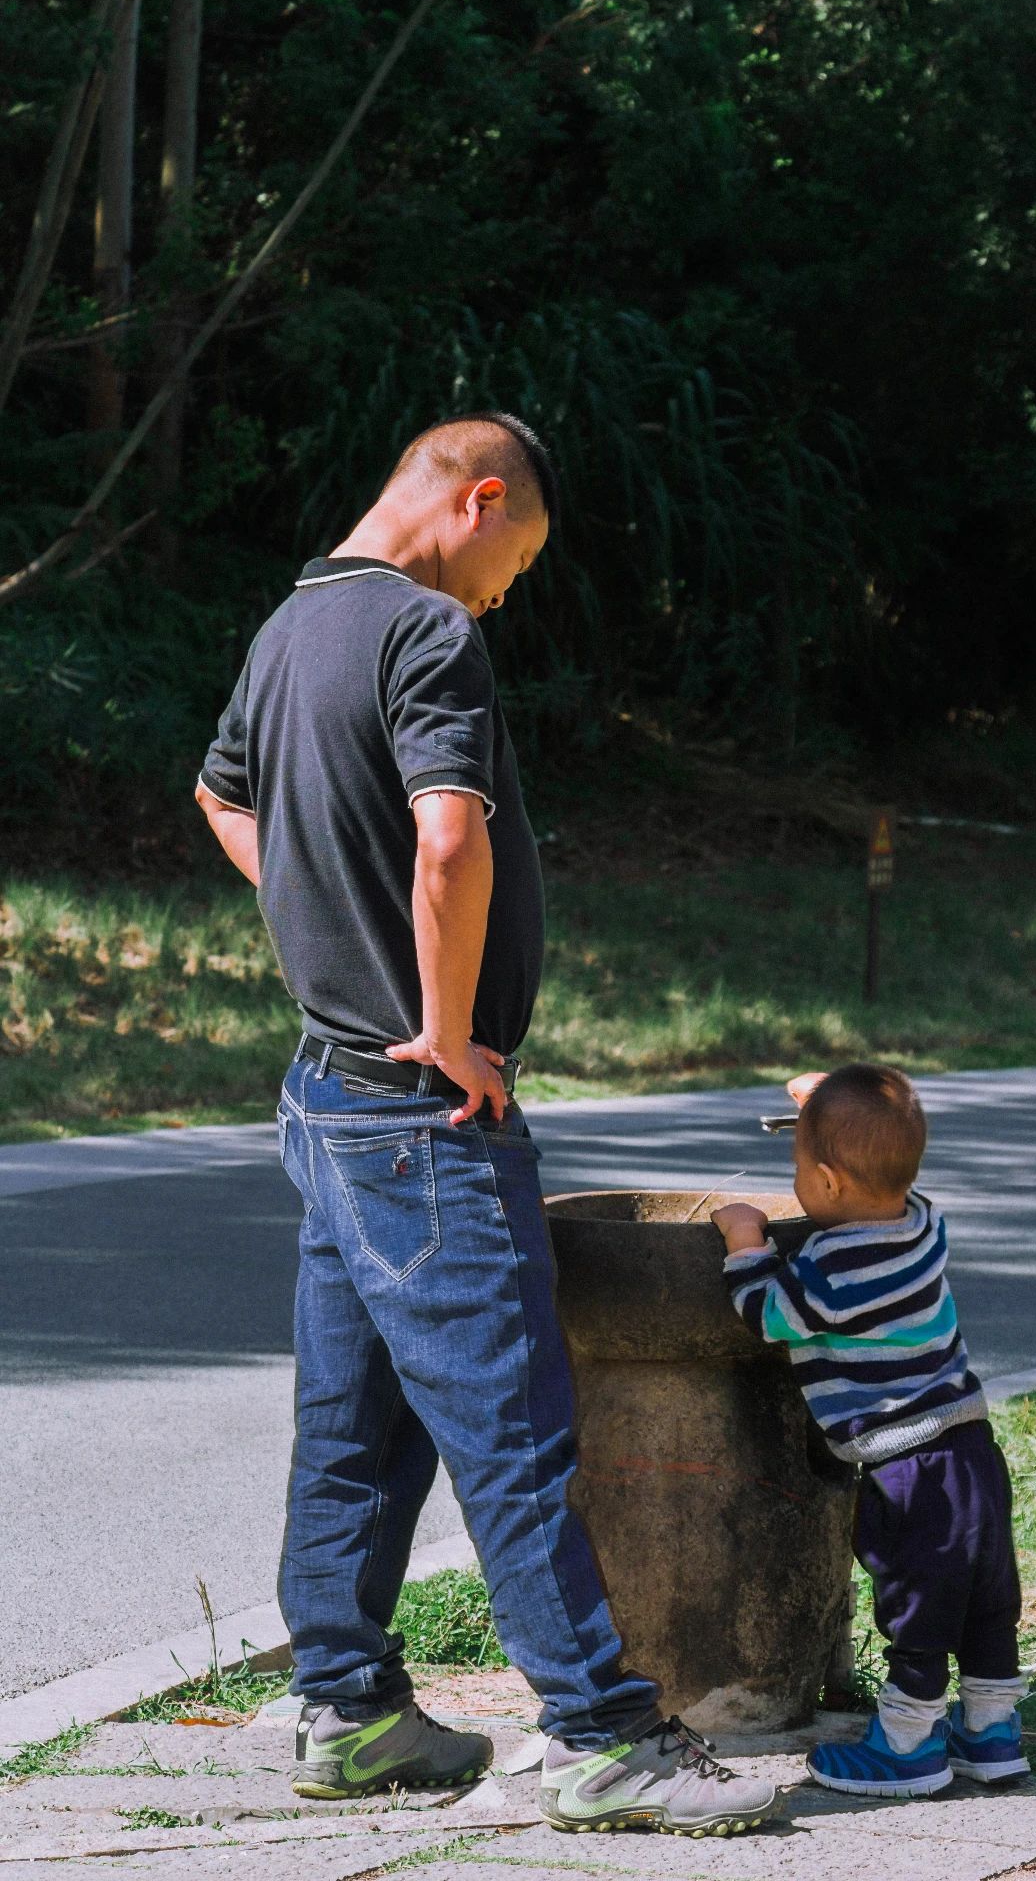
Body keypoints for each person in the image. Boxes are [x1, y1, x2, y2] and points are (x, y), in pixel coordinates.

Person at [196, 411, 777, 1835]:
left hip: (327, 1092)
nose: (507, 593)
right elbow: (448, 836)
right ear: (479, 498)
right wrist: (447, 1023)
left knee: (355, 1424)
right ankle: (601, 1737)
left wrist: (323, 918)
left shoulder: (289, 627)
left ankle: (347, 1711)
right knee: (512, 1425)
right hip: (419, 1108)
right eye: (518, 561)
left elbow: (218, 797)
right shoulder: (425, 631)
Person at [712, 1064, 1028, 1797]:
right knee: (986, 1602)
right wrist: (832, 1108)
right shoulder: (922, 1223)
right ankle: (992, 1733)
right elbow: (889, 1169)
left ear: (826, 1181)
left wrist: (744, 1238)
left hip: (907, 1469)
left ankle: (908, 1748)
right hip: (972, 1451)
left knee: (917, 1610)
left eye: (799, 1168)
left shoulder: (834, 1264)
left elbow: (770, 1314)